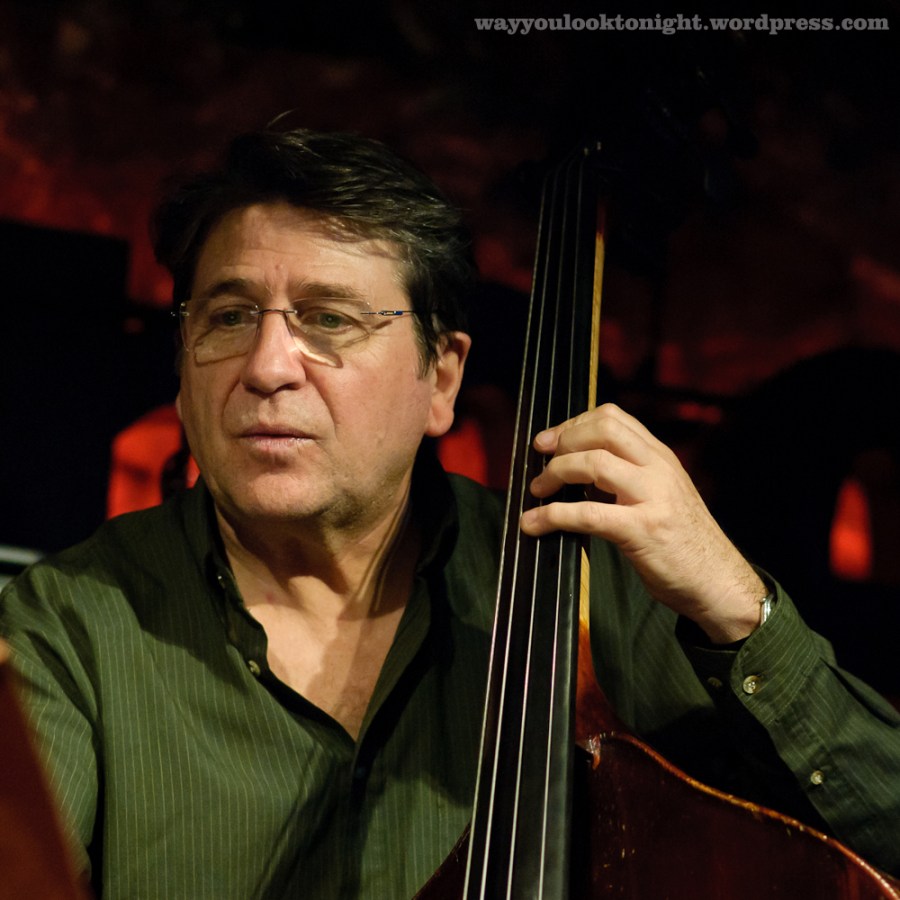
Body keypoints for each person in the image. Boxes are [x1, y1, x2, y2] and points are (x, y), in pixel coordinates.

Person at [1, 127, 898, 899]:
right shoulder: (69, 625)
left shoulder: (590, 594)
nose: (267, 366)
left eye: (329, 319)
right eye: (230, 317)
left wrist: (738, 608)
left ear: (442, 378)